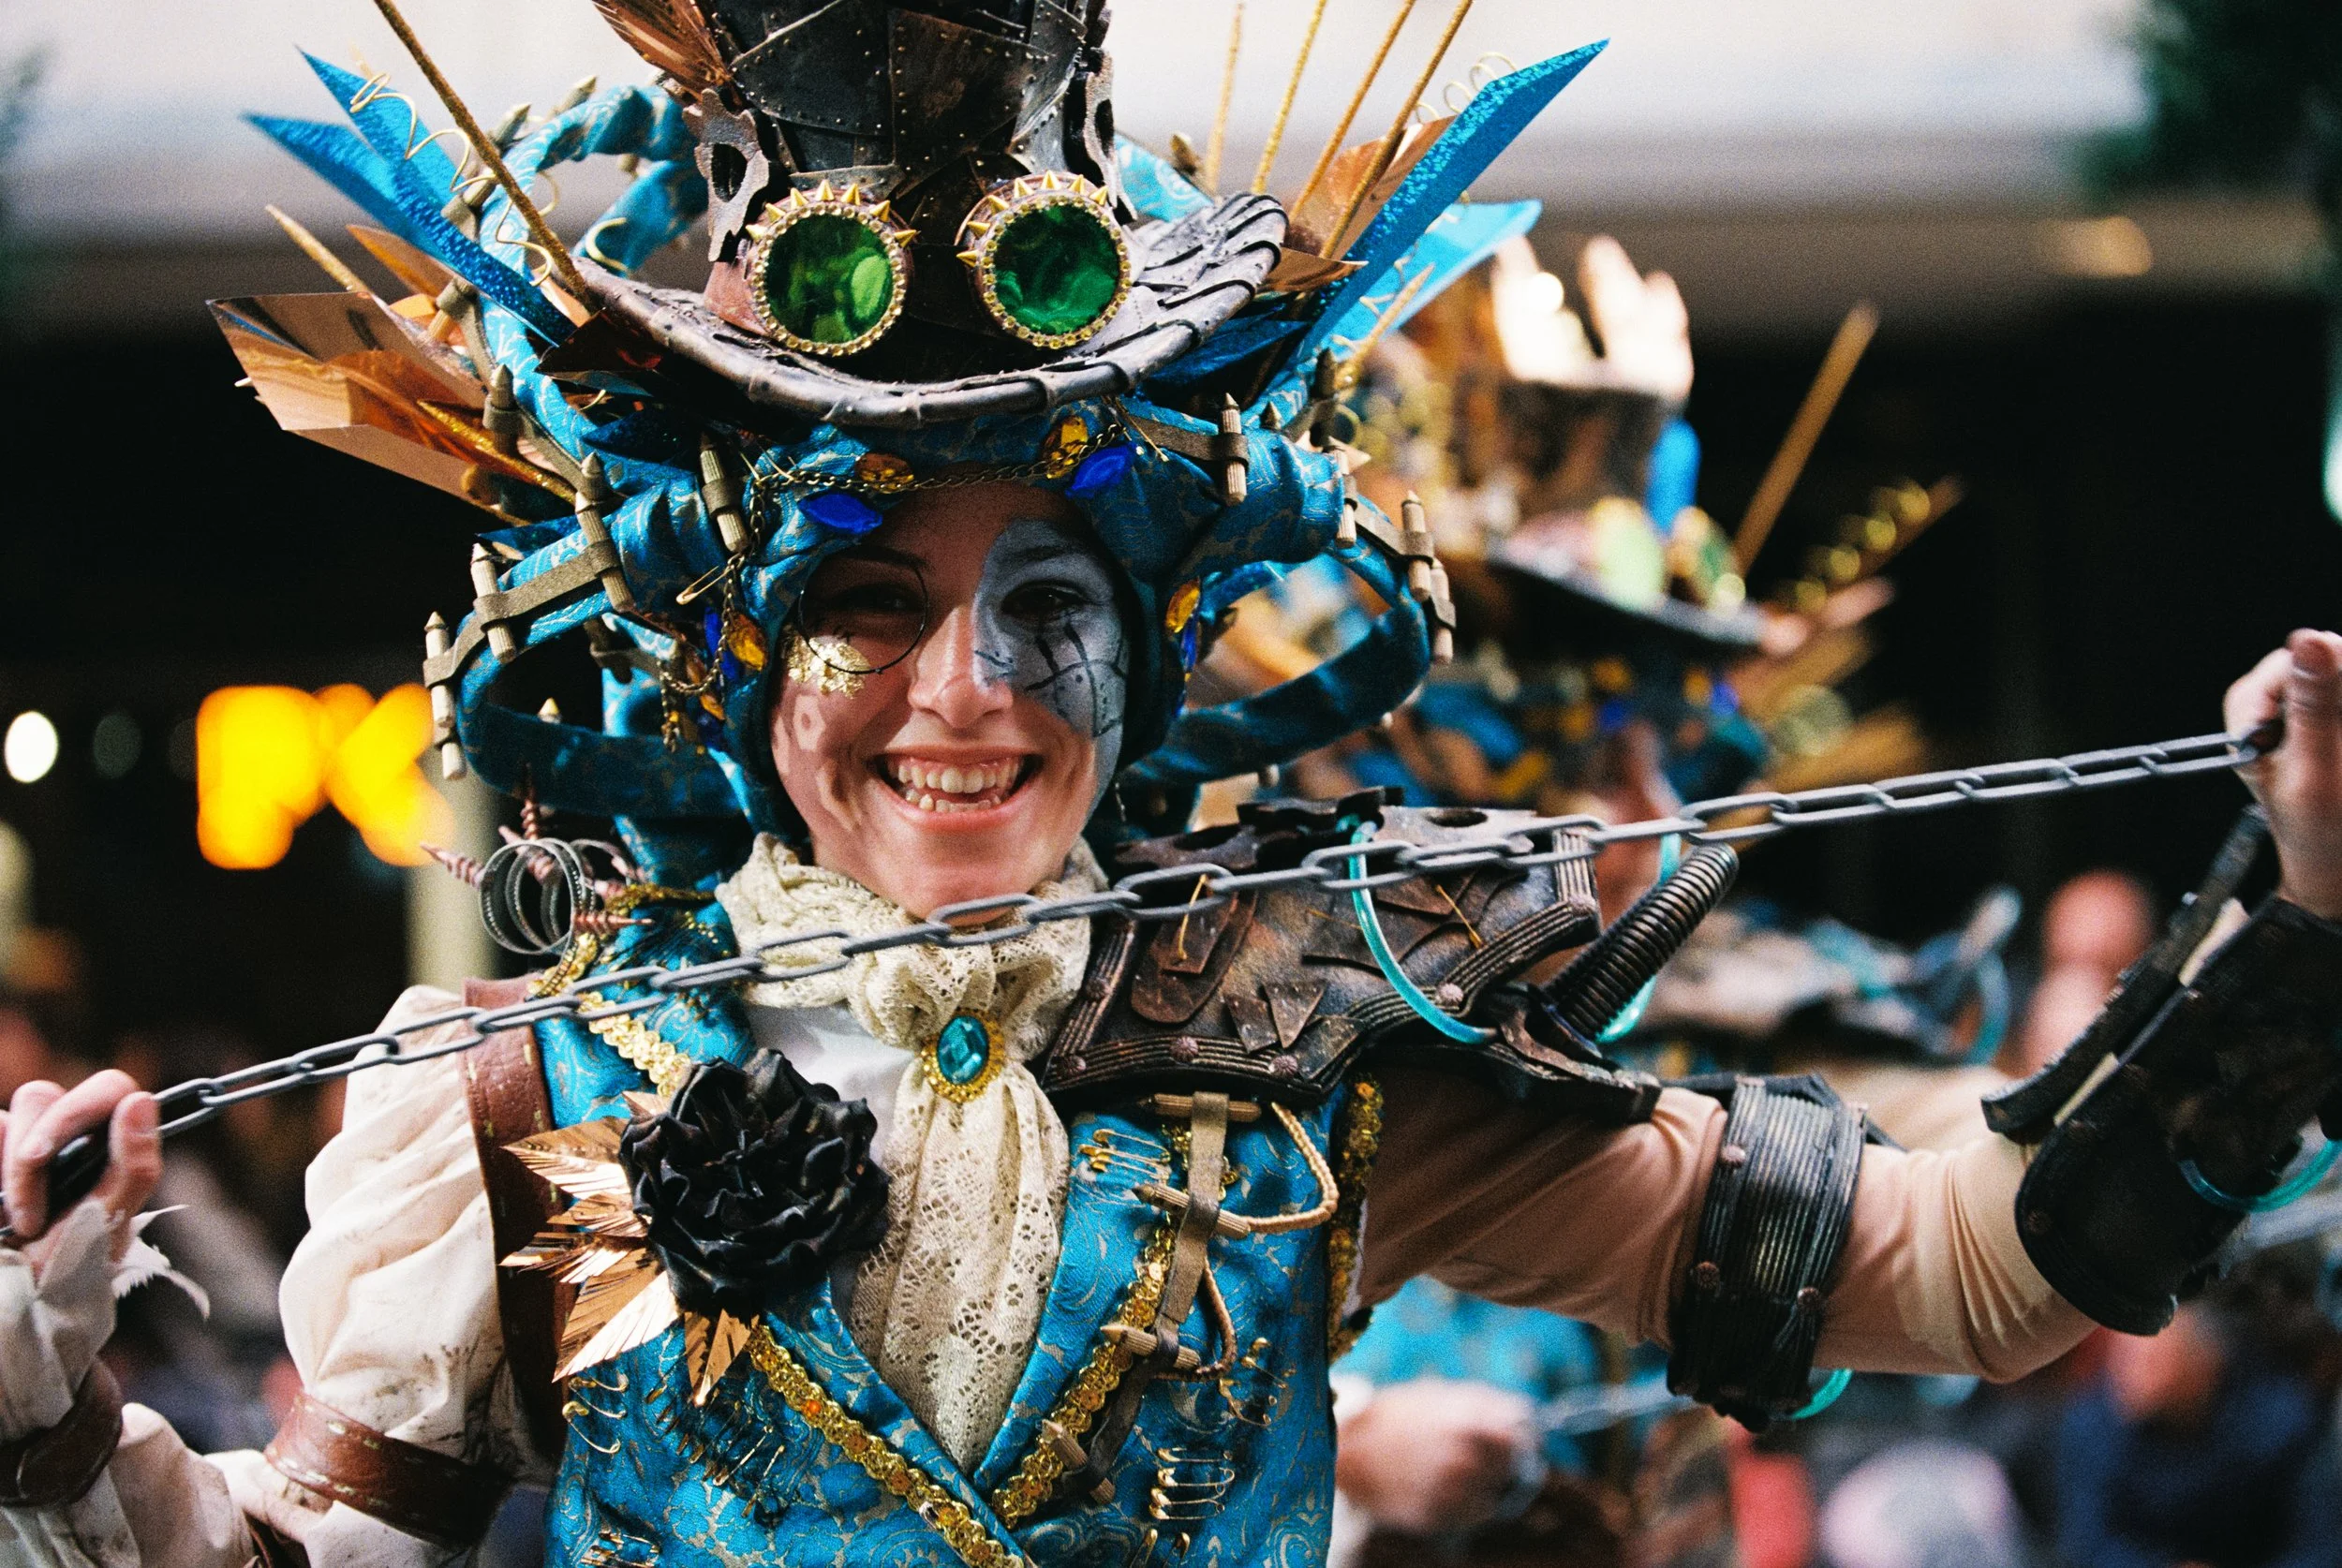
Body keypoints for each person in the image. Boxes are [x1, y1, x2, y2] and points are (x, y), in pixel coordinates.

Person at [6, 11, 2342, 1568]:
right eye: (862, 604)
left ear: (1138, 663)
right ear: (729, 656)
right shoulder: (520, 1098)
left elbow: (1965, 1274)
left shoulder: (1310, 1040)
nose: (966, 691)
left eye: (1047, 604)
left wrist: (2300, 923)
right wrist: (46, 1417)